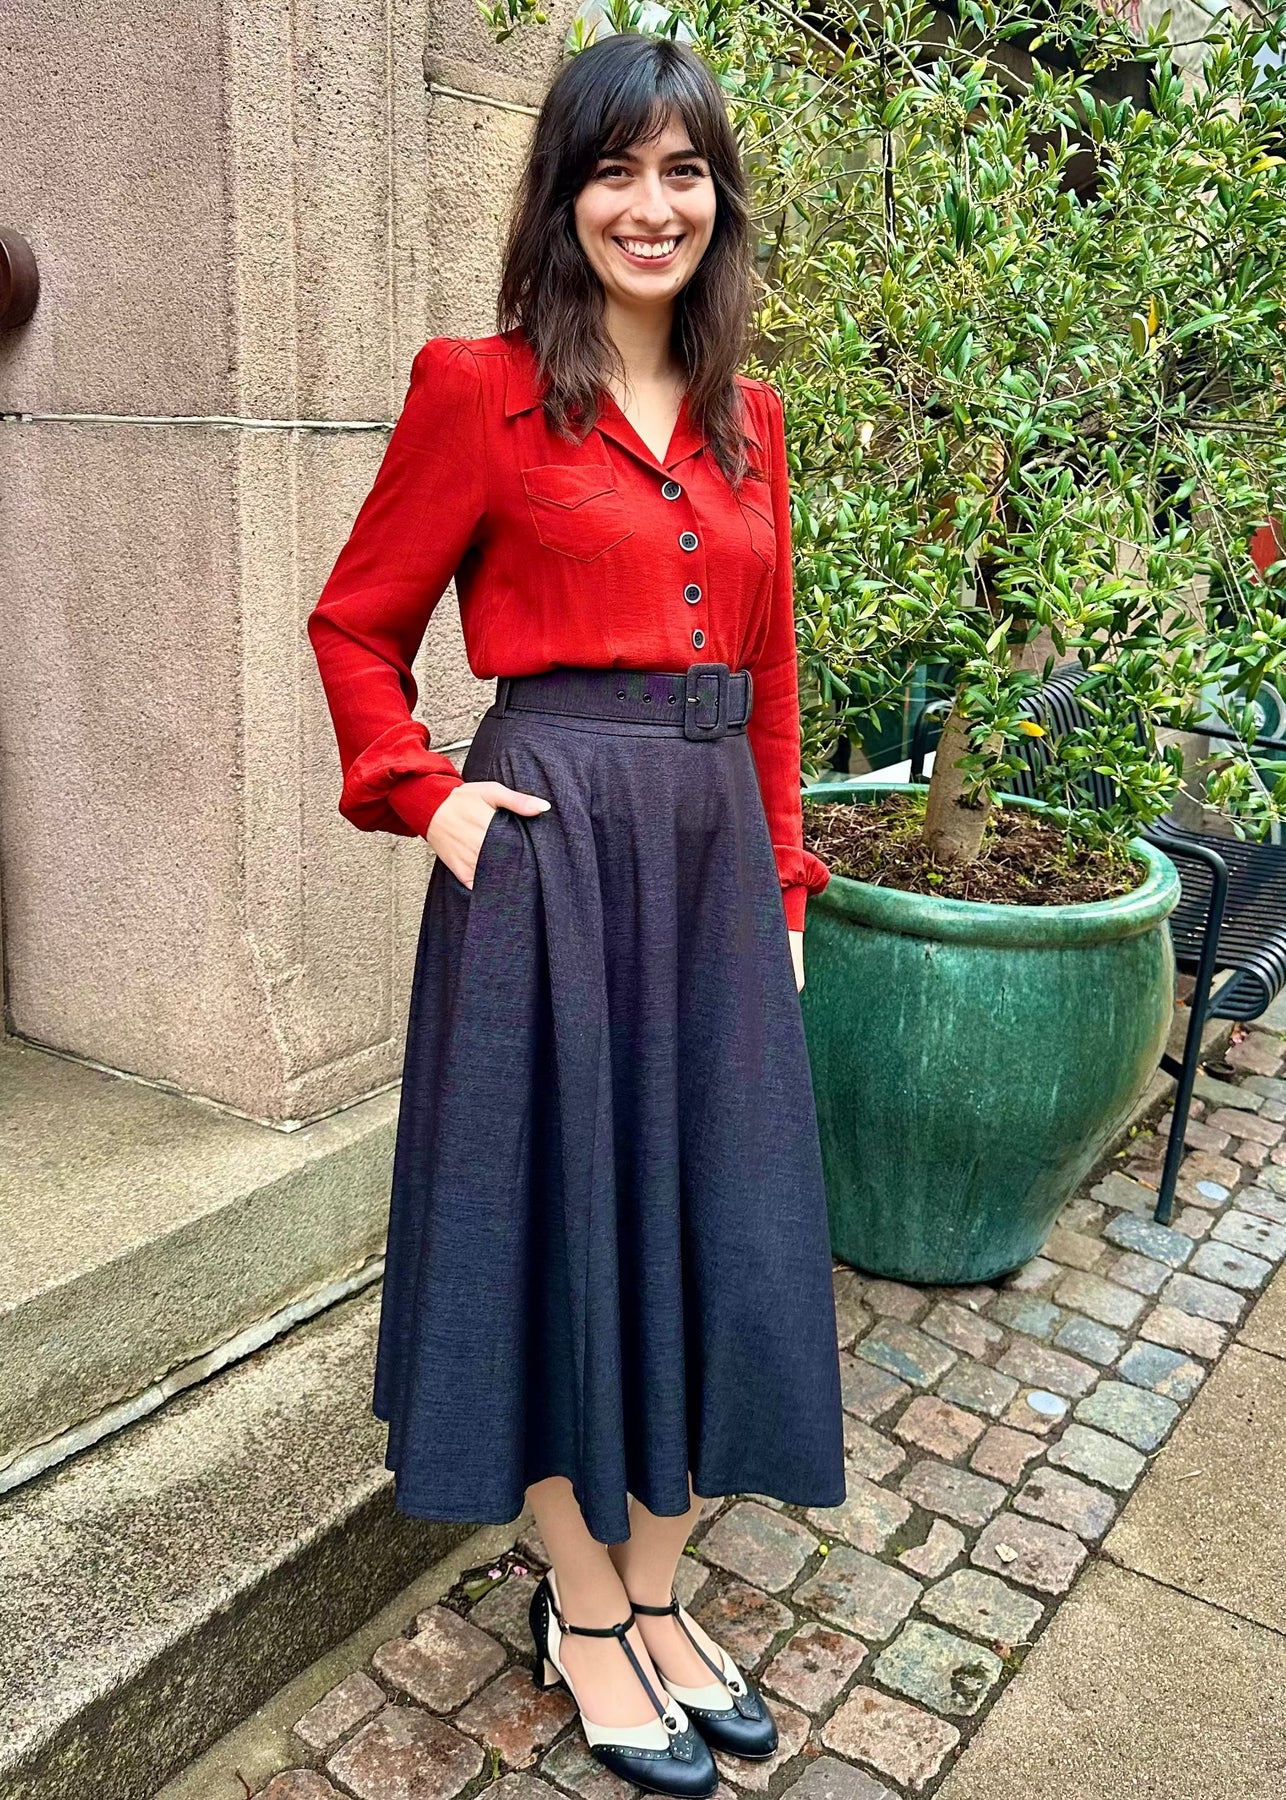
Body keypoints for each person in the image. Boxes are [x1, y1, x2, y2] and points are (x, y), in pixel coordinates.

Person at [307, 28, 845, 1798]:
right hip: (547, 862)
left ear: (719, 201)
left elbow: (769, 683)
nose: (650, 205)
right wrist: (426, 793)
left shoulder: (757, 422)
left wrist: (781, 889)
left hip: (709, 875)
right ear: (564, 194)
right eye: (615, 170)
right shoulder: (473, 390)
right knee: (544, 1221)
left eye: (683, 172)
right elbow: (355, 624)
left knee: (722, 1218)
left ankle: (661, 1591)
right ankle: (586, 1607)